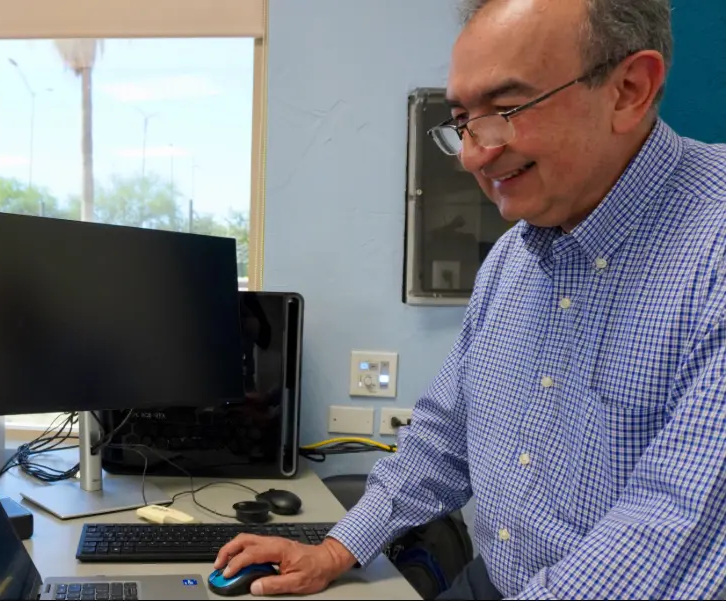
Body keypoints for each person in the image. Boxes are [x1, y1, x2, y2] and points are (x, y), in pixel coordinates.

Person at [214, 0, 726, 598]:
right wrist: (335, 548)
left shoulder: (711, 245)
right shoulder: (512, 260)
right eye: (463, 120)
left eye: (506, 109)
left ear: (628, 89)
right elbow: (446, 432)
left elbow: (674, 526)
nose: (474, 155)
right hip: (495, 578)